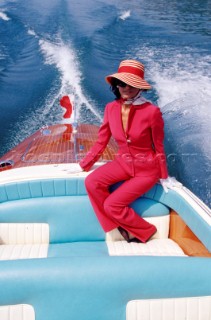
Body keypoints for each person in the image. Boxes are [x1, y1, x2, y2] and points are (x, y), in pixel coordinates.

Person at [71, 59, 178, 243]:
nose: (126, 88)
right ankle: (115, 226)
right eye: (122, 83)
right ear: (116, 85)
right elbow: (102, 140)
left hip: (146, 170)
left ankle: (145, 231)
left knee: (113, 205)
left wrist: (164, 175)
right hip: (122, 163)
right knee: (91, 182)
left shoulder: (152, 112)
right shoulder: (110, 108)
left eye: (131, 84)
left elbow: (158, 145)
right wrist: (84, 164)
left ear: (140, 87)